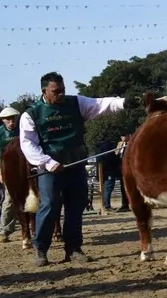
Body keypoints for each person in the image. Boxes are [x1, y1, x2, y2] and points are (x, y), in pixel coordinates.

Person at [19, 71, 138, 266]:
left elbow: (99, 105)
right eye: (56, 91)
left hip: (76, 165)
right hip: (50, 169)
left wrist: (123, 102)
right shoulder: (31, 114)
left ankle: (73, 248)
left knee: (76, 206)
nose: (61, 94)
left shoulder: (76, 103)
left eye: (63, 90)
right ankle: (41, 249)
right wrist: (48, 162)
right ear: (44, 91)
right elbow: (28, 145)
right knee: (48, 206)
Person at [0, 106, 21, 241]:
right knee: (9, 200)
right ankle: (5, 230)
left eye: (13, 118)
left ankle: (35, 230)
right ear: (3, 120)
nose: (11, 121)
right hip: (9, 170)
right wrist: (0, 173)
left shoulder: (23, 129)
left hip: (26, 167)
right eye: (8, 119)